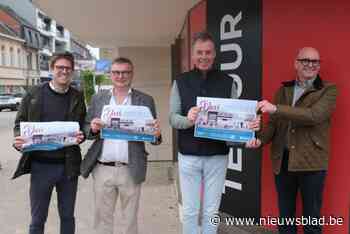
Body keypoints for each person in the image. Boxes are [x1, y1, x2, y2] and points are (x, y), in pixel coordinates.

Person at [169, 31, 260, 234]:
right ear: (193, 55)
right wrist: (188, 120)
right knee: (191, 211)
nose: (203, 56)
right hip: (189, 156)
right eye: (199, 52)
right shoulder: (180, 81)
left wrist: (249, 131)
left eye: (208, 52)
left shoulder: (228, 82)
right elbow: (172, 118)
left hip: (217, 156)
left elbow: (237, 121)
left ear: (214, 54)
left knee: (212, 211)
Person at [257, 47, 337, 234]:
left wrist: (276, 108)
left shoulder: (328, 90)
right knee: (285, 220)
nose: (310, 64)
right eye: (305, 60)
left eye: (315, 61)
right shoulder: (283, 91)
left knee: (311, 222)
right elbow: (274, 125)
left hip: (311, 164)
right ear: (296, 63)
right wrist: (259, 141)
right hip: (283, 161)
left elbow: (313, 116)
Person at [80, 57, 162, 234]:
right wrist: (93, 128)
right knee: (102, 220)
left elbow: (153, 136)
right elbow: (86, 128)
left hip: (131, 168)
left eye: (125, 72)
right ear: (110, 74)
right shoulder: (98, 99)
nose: (121, 76)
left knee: (130, 221)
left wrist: (156, 135)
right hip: (102, 168)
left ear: (132, 74)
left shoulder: (145, 100)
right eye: (116, 72)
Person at [13, 51, 86, 234]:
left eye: (68, 68)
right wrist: (18, 141)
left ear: (73, 71)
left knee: (67, 216)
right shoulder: (34, 94)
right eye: (60, 67)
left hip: (68, 166)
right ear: (51, 69)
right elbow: (19, 124)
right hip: (41, 166)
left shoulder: (77, 96)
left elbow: (83, 125)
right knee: (38, 218)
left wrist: (82, 135)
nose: (64, 71)